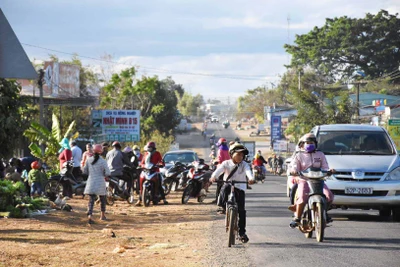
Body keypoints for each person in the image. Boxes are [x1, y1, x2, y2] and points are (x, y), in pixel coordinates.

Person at [209, 142, 255, 243]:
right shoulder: (226, 163)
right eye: (238, 154)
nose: (240, 156)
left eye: (242, 155)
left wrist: (251, 179)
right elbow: (218, 171)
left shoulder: (244, 164)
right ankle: (221, 206)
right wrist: (214, 177)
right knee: (224, 187)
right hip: (228, 185)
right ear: (232, 153)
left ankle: (242, 233)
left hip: (240, 187)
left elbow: (248, 172)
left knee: (242, 211)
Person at [288, 133, 335, 228]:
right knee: (302, 198)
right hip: (304, 180)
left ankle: (324, 213)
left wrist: (329, 171)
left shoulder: (320, 154)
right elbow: (294, 166)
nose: (310, 144)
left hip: (319, 180)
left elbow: (325, 167)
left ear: (315, 144)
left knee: (329, 196)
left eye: (312, 142)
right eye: (307, 142)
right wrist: (294, 171)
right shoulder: (298, 155)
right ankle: (297, 218)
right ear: (302, 144)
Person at [83, 144, 111, 224]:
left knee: (91, 200)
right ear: (101, 151)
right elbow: (108, 172)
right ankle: (102, 215)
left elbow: (85, 171)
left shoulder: (88, 160)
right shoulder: (103, 161)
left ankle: (90, 216)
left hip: (91, 182)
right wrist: (105, 175)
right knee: (102, 199)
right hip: (100, 183)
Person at [135, 141, 168, 206]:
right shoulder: (146, 154)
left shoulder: (157, 153)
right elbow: (142, 162)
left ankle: (164, 199)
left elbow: (161, 161)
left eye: (150, 147)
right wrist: (141, 165)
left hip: (155, 171)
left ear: (153, 147)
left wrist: (161, 164)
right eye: (148, 147)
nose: (149, 148)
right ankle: (139, 199)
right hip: (146, 171)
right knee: (140, 184)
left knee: (159, 184)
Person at [212, 138, 230, 203]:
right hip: (228, 169)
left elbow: (220, 160)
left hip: (221, 169)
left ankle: (218, 200)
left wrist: (215, 161)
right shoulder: (228, 150)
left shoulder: (220, 150)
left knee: (219, 185)